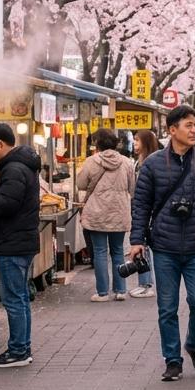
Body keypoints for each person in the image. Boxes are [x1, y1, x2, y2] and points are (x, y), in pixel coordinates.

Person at [129, 105, 195, 382]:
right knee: (167, 307)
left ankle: (194, 345)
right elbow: (140, 205)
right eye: (188, 125)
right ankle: (172, 360)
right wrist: (137, 240)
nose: (194, 130)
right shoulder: (152, 164)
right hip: (164, 246)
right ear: (172, 130)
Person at [0, 123, 41, 368]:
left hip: (13, 242)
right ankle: (22, 347)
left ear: (0, 143)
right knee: (20, 297)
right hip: (20, 240)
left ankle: (18, 351)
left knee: (14, 299)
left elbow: (8, 206)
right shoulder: (21, 165)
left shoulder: (13, 169)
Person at [77, 129, 136, 303]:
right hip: (119, 212)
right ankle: (121, 290)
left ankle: (102, 293)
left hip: (97, 212)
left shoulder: (91, 161)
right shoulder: (126, 162)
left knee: (100, 252)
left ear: (98, 144)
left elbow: (81, 184)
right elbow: (132, 188)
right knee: (118, 251)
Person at [130, 130, 160, 298]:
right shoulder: (139, 161)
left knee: (145, 248)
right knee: (143, 247)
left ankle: (147, 284)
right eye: (134, 140)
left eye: (137, 140)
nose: (134, 143)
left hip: (149, 211)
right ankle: (144, 283)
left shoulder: (150, 163)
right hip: (140, 207)